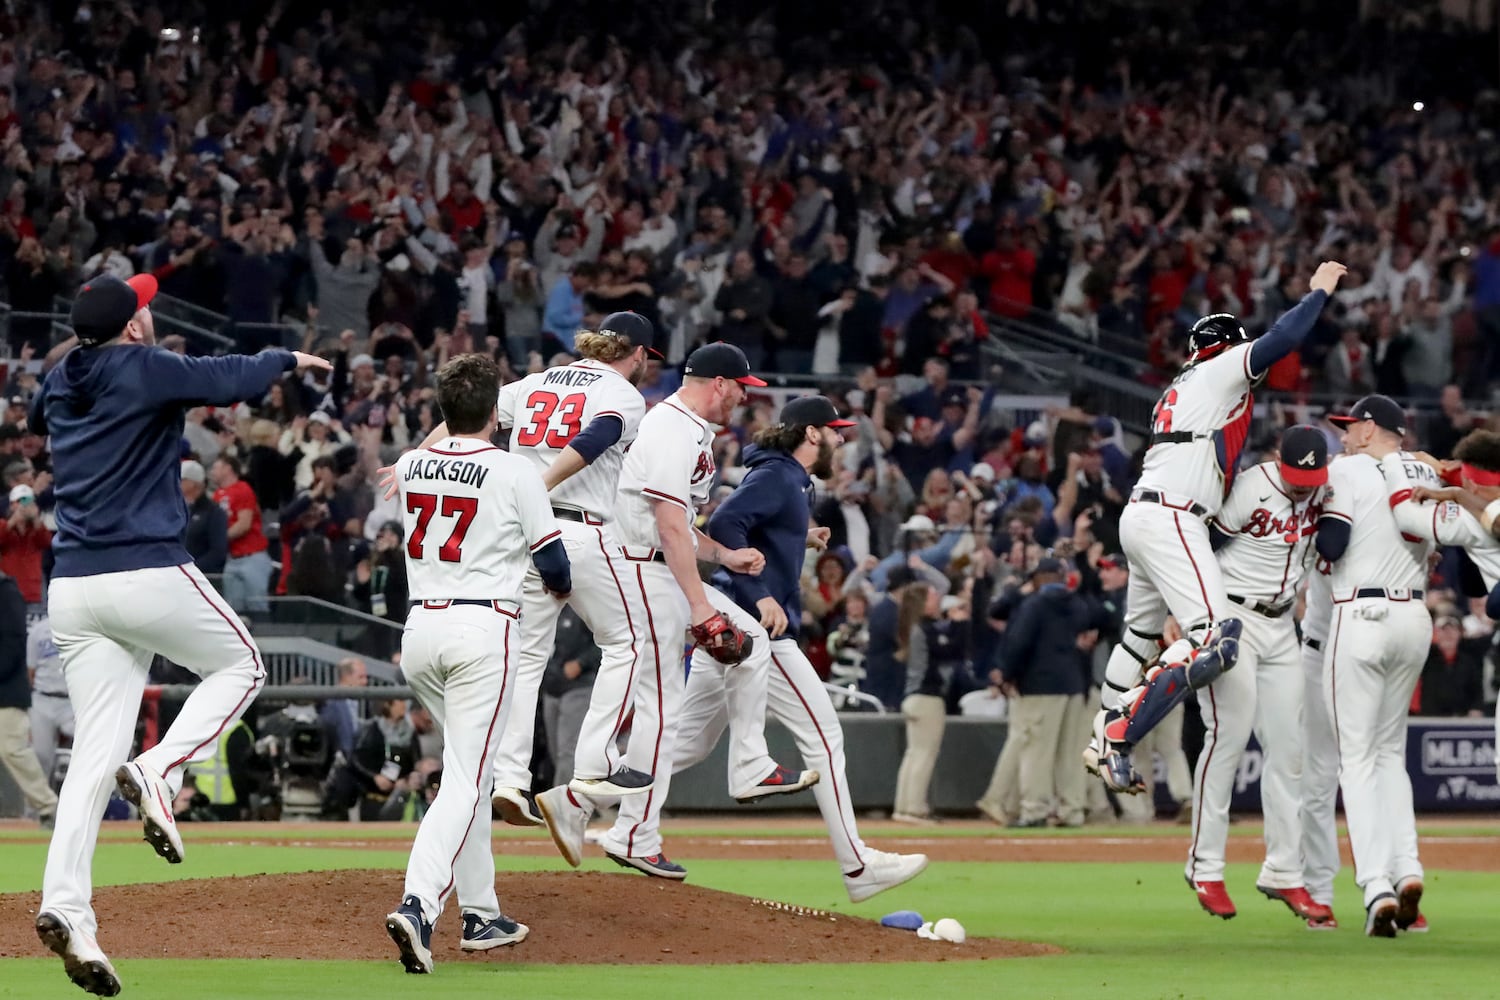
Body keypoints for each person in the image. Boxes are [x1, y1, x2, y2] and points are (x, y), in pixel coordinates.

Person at [32, 273, 330, 997]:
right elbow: (227, 377)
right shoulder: (141, 363)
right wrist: (289, 359)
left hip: (73, 587)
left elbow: (85, 381)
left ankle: (67, 909)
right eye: (143, 307)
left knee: (93, 760)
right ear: (133, 325)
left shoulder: (58, 379)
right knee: (243, 667)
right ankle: (163, 770)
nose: (151, 311)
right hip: (144, 570)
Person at [535, 342, 815, 880]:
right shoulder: (670, 428)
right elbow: (665, 525)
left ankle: (593, 809)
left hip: (658, 564)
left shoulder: (688, 430)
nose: (742, 398)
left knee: (743, 648)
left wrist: (724, 554)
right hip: (644, 568)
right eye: (740, 387)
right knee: (661, 705)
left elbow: (680, 529)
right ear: (718, 383)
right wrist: (698, 605)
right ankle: (621, 822)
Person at [1087, 261, 1347, 794]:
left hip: (1143, 513)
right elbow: (1285, 338)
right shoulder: (1222, 366)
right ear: (1227, 346)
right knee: (1216, 637)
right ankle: (1120, 732)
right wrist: (1318, 290)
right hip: (1174, 516)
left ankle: (1099, 737)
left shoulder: (1179, 387)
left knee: (1139, 636)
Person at [672, 395, 928, 901]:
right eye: (835, 431)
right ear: (811, 433)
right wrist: (764, 594)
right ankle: (858, 867)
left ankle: (581, 794)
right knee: (825, 738)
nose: (840, 439)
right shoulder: (780, 475)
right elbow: (724, 526)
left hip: (732, 622)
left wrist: (798, 536)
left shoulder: (788, 477)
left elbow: (754, 527)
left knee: (687, 743)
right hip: (758, 627)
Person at [383, 353, 572, 974]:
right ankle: (418, 906)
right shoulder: (515, 471)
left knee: (473, 770)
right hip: (483, 630)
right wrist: (562, 590)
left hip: (421, 632)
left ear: (440, 410)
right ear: (497, 412)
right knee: (467, 780)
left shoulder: (410, 464)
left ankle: (482, 913)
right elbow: (555, 566)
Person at [1184, 426, 1333, 924]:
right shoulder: (1253, 486)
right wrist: (1187, 612)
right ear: (1278, 459)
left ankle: (1283, 871)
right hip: (1234, 618)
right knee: (1227, 736)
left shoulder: (1324, 493)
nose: (1301, 485)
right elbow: (1203, 548)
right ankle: (1204, 864)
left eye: (1309, 476)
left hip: (1282, 625)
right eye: (1296, 475)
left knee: (1290, 751)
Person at [1316, 394, 1438, 938]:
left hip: (1361, 614)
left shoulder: (1347, 470)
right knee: (1391, 755)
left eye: (1349, 427)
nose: (1342, 436)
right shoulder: (1420, 470)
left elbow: (1333, 543)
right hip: (1414, 614)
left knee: (1357, 760)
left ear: (1370, 429)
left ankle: (1376, 888)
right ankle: (1407, 868)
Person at [996, 557, 1094, 829]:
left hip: (1040, 686)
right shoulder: (1076, 603)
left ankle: (1034, 810)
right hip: (1074, 685)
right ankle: (1072, 810)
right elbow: (1092, 623)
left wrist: (1007, 675)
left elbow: (1018, 642)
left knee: (1036, 752)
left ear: (1040, 578)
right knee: (1070, 753)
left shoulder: (1034, 604)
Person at [0, 567, 57, 826]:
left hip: (6, 690)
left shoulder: (7, 591)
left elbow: (13, 644)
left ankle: (48, 806)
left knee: (13, 749)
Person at [211, 455, 273, 616]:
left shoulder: (243, 489)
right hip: (232, 557)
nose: (212, 472)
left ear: (228, 468)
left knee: (257, 605)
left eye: (216, 468)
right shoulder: (217, 495)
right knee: (232, 608)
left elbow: (244, 524)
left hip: (252, 557)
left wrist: (219, 539)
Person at [28, 613, 73, 790]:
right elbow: (30, 672)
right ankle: (34, 814)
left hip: (71, 702)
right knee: (39, 756)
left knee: (90, 750)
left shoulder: (79, 628)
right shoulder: (37, 631)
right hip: (43, 699)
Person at [180, 460, 228, 576]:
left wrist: (191, 570)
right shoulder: (179, 510)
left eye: (182, 480)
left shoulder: (213, 512)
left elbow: (218, 552)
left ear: (193, 483)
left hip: (205, 577)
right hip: (181, 575)